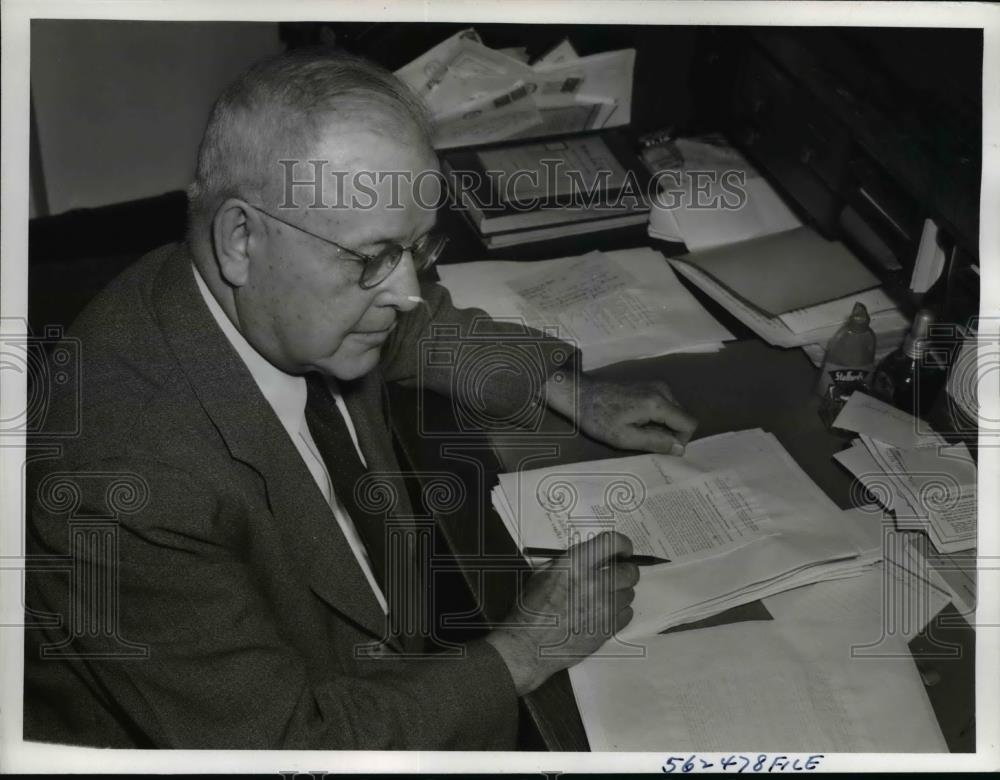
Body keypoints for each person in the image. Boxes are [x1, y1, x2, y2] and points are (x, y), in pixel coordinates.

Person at [23, 48, 697, 750]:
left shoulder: (274, 298)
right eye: (372, 257)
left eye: (415, 249)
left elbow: (418, 328)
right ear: (241, 239)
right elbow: (291, 748)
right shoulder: (127, 487)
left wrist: (566, 387)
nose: (405, 289)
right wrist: (526, 651)